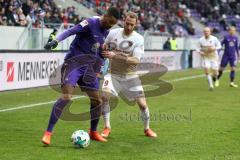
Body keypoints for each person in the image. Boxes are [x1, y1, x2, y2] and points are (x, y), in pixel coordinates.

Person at [41, 7, 120, 145]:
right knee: (66, 96)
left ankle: (93, 132)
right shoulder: (89, 23)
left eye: (113, 24)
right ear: (106, 15)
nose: (110, 26)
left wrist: (99, 65)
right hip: (74, 64)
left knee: (97, 102)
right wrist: (56, 41)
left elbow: (99, 52)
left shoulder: (105, 31)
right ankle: (48, 133)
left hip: (89, 69)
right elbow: (70, 31)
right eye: (110, 22)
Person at [100, 12, 157, 138]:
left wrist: (116, 56)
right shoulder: (113, 33)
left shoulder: (138, 39)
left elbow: (136, 60)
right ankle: (107, 127)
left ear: (136, 24)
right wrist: (103, 51)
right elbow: (104, 46)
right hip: (112, 74)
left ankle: (147, 128)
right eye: (127, 23)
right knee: (104, 97)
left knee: (142, 105)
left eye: (132, 24)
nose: (129, 27)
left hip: (130, 76)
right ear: (123, 21)